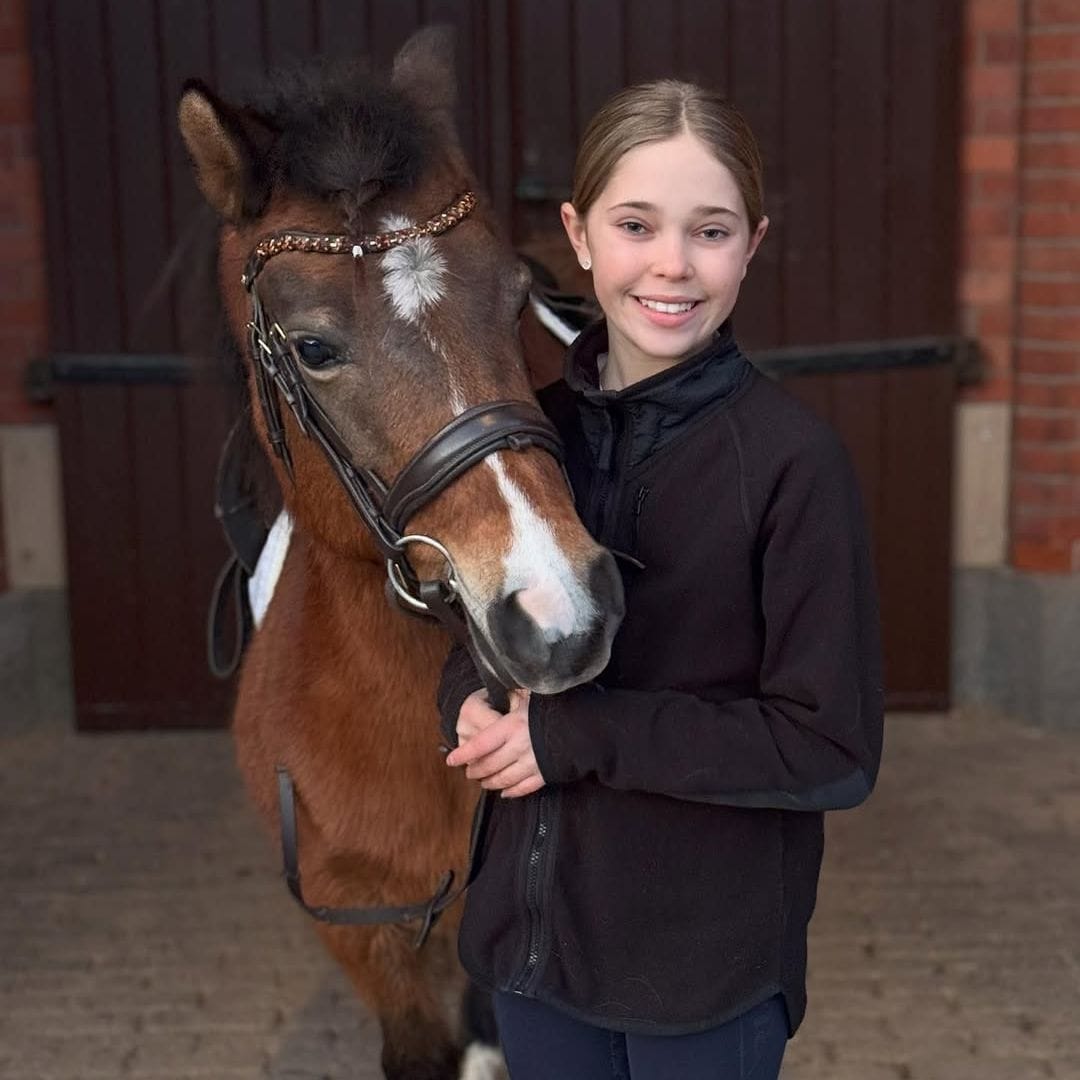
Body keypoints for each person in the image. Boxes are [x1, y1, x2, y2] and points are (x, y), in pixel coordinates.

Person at [438, 79, 883, 1080]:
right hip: (533, 950)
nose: (672, 263)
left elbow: (830, 746)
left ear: (753, 246)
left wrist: (577, 735)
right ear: (580, 235)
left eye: (711, 231)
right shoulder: (527, 441)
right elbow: (461, 637)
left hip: (702, 973)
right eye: (636, 224)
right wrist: (465, 701)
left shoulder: (792, 463)